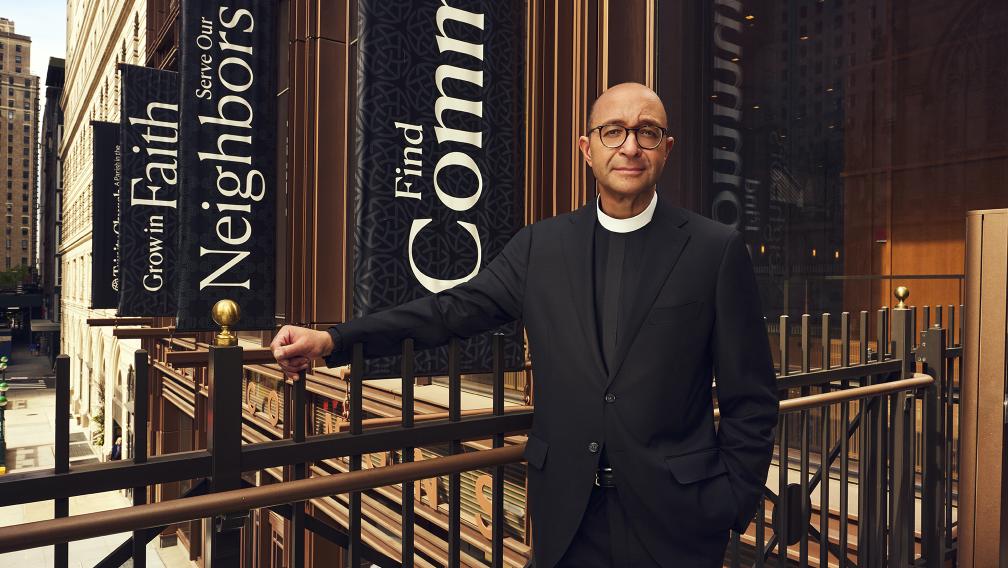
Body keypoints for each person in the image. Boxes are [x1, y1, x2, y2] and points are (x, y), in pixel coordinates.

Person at [272, 82, 779, 567]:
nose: (630, 146)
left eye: (646, 132)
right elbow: (451, 310)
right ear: (586, 148)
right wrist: (334, 338)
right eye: (613, 131)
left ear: (665, 149)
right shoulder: (541, 246)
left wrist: (731, 500)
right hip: (568, 521)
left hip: (680, 524)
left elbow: (751, 396)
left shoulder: (714, 250)